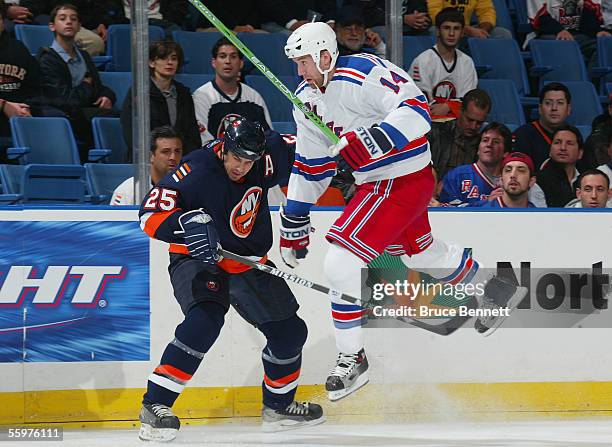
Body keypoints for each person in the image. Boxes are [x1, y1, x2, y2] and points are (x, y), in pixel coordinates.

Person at [282, 22, 527, 401]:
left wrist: (375, 139)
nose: (300, 72)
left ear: (324, 55)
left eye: (304, 63)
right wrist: (295, 216)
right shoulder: (306, 100)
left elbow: (416, 110)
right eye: (296, 64)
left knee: (340, 261)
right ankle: (496, 288)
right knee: (423, 253)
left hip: (398, 181)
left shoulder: (364, 72)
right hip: (385, 184)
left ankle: (352, 358)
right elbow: (312, 166)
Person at [137, 118, 322, 441]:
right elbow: (149, 215)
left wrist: (348, 156)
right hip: (198, 258)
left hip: (246, 261)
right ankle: (155, 405)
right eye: (237, 158)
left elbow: (311, 141)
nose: (242, 167)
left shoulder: (268, 154)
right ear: (223, 148)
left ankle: (278, 408)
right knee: (205, 321)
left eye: (249, 160)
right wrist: (186, 223)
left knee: (290, 332)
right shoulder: (197, 169)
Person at [37, 2, 117, 163]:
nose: (69, 22)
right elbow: (64, 100)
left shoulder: (84, 56)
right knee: (119, 118)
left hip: (87, 111)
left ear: (79, 26)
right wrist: (87, 86)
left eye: (73, 19)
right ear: (52, 26)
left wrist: (107, 96)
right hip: (70, 116)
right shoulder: (48, 59)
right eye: (63, 18)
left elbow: (99, 87)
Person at [121, 40, 201, 161]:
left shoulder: (184, 94)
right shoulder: (139, 93)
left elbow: (193, 135)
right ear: (152, 63)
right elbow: (133, 136)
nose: (169, 63)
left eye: (174, 59)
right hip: (147, 161)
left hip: (179, 160)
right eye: (163, 58)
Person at [192, 37, 272, 144]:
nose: (228, 61)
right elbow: (204, 141)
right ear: (214, 62)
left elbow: (268, 136)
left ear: (241, 63)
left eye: (233, 57)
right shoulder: (202, 96)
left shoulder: (253, 97)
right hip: (214, 158)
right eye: (222, 56)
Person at [409, 7, 477, 120]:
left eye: (456, 29)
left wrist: (448, 106)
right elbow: (421, 102)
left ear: (462, 32)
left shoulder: (467, 62)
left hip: (458, 120)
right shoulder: (423, 61)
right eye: (446, 28)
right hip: (429, 120)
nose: (451, 33)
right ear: (437, 31)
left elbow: (468, 100)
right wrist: (451, 107)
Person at [438, 122, 511, 206]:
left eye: (496, 142)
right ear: (478, 150)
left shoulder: (510, 180)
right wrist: (487, 202)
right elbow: (446, 211)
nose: (489, 145)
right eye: (485, 140)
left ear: (505, 153)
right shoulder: (457, 176)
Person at [428, 88, 491, 180]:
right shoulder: (435, 133)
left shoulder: (485, 144)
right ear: (460, 111)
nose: (473, 127)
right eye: (470, 120)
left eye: (479, 123)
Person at [111, 125, 182, 205]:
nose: (173, 157)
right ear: (150, 156)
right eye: (165, 151)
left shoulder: (189, 187)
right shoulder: (128, 190)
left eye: (177, 151)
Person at [527, 0, 610, 67]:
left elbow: (591, 13)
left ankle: (591, 84)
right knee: (564, 45)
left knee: (605, 44)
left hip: (580, 36)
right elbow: (539, 18)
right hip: (547, 33)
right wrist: (560, 30)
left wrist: (598, 31)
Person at [512, 82, 572, 171]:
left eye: (560, 103)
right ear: (540, 108)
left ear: (569, 109)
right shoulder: (523, 135)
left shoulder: (573, 136)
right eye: (548, 103)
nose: (554, 108)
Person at [532, 124, 583, 207]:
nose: (563, 148)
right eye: (557, 142)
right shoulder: (538, 181)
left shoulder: (586, 180)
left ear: (580, 153)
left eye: (569, 143)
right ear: (550, 150)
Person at [428, 0, 513, 40]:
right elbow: (435, 15)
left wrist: (482, 30)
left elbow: (487, 11)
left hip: (468, 29)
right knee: (433, 31)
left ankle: (496, 72)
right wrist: (465, 29)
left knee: (502, 34)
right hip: (444, 27)